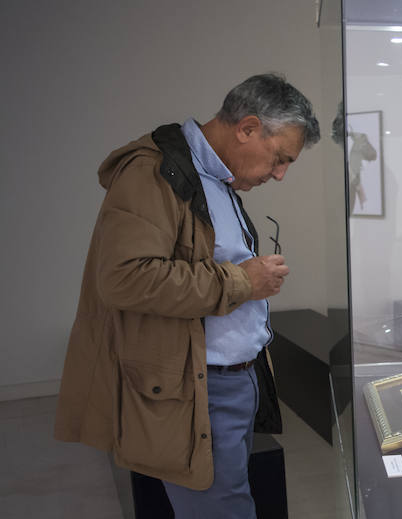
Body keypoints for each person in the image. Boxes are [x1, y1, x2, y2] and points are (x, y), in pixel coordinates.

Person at [54, 73, 320, 518]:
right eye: (279, 158)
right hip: (197, 386)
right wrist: (242, 282)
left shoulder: (214, 177)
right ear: (248, 128)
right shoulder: (154, 170)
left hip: (226, 379)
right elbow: (124, 277)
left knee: (226, 501)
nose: (280, 174)